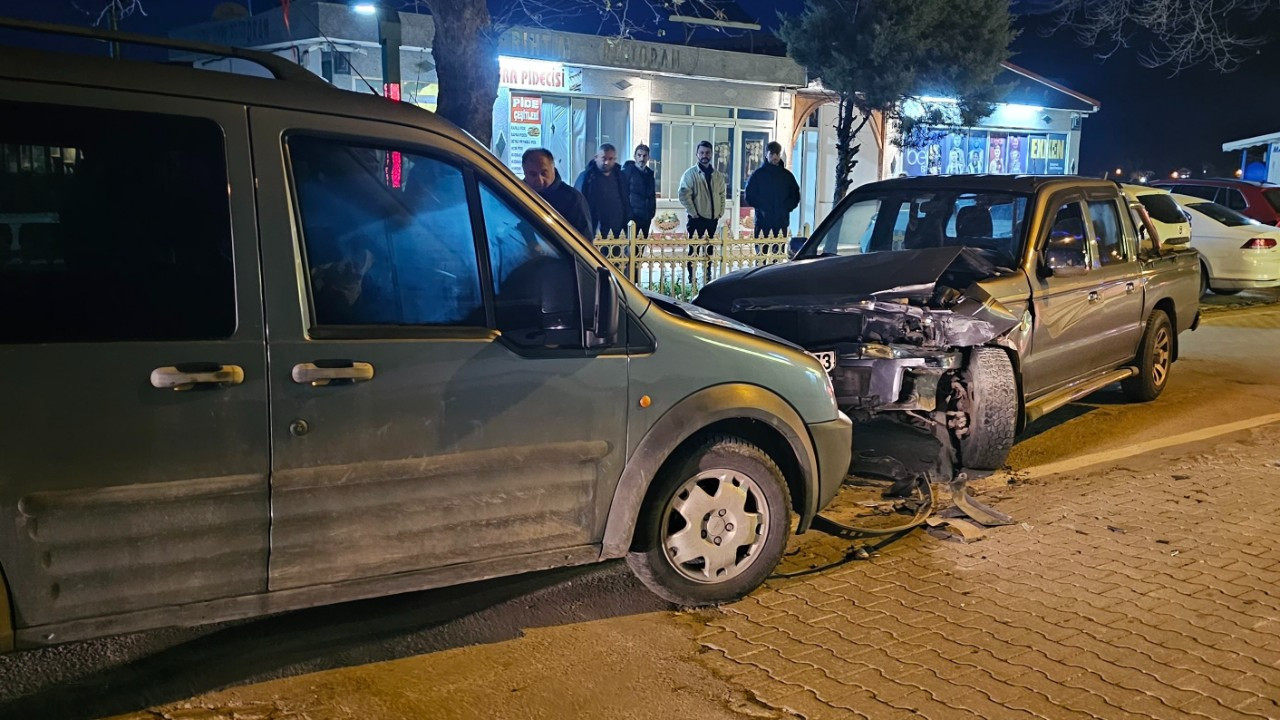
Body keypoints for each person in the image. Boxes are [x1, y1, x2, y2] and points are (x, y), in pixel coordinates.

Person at [521, 148, 592, 239]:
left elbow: (585, 240)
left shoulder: (573, 199)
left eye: (544, 173)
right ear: (524, 172)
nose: (540, 180)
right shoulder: (517, 195)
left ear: (553, 169)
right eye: (533, 174)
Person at [744, 140, 800, 240]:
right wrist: (762, 207)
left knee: (778, 252)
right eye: (772, 154)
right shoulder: (758, 175)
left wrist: (785, 208)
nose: (775, 157)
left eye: (777, 154)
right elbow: (749, 195)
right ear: (766, 154)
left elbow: (795, 195)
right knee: (761, 252)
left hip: (781, 221)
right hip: (763, 221)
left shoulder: (787, 176)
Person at [574, 143, 630, 238]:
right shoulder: (586, 178)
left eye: (610, 159)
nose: (607, 162)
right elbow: (578, 204)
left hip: (617, 230)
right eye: (604, 158)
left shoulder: (620, 176)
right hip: (593, 229)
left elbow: (625, 201)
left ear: (615, 159)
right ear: (596, 157)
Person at [678, 140, 727, 239]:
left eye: (707, 153)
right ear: (697, 154)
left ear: (711, 154)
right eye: (702, 153)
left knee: (709, 250)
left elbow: (722, 194)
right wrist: (694, 213)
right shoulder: (690, 174)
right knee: (694, 251)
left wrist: (720, 213)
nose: (704, 155)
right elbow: (684, 195)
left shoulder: (718, 175)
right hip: (696, 219)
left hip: (713, 219)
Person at [622, 143, 656, 239]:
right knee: (631, 248)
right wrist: (627, 214)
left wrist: (652, 212)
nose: (642, 158)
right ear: (635, 156)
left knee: (641, 245)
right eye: (639, 155)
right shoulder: (627, 172)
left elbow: (652, 194)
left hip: (646, 217)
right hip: (632, 217)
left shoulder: (650, 174)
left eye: (645, 156)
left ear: (648, 157)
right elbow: (623, 194)